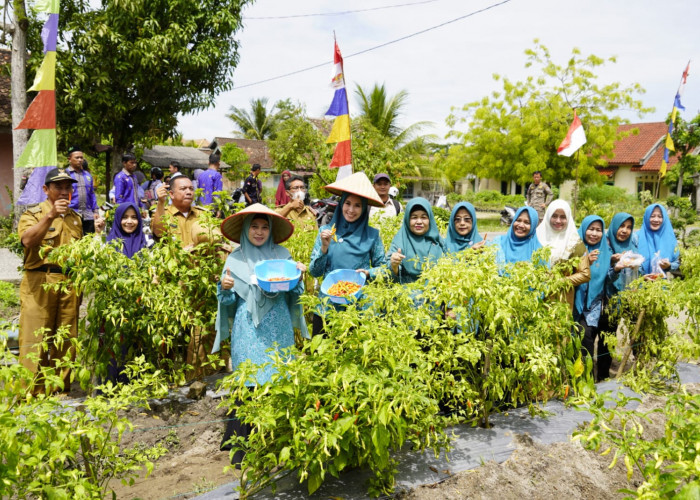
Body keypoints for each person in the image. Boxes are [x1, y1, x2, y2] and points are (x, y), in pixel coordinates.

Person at [214, 204, 308, 466]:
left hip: (278, 325)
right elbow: (228, 302)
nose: (259, 231)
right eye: (254, 226)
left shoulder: (283, 255)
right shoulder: (234, 259)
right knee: (249, 379)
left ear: (271, 230)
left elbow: (294, 294)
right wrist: (224, 288)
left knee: (278, 377)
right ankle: (244, 448)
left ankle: (277, 443)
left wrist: (299, 278)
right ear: (245, 229)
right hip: (248, 328)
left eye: (264, 227)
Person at [18, 169, 84, 394]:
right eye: (59, 187)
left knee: (66, 336)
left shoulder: (75, 218)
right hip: (40, 279)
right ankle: (30, 394)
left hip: (69, 281)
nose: (64, 192)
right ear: (46, 190)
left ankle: (60, 390)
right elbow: (27, 240)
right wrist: (50, 216)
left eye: (68, 187)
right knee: (35, 336)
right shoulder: (34, 214)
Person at [309, 172, 387, 335]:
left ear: (364, 208)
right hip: (327, 308)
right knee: (323, 356)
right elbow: (314, 271)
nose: (351, 210)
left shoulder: (372, 235)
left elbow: (384, 269)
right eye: (348, 203)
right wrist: (324, 248)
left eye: (358, 205)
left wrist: (368, 272)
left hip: (359, 310)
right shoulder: (326, 232)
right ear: (341, 204)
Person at [574, 215, 612, 381]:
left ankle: (587, 380)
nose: (594, 233)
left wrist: (616, 268)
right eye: (591, 229)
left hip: (593, 306)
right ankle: (575, 379)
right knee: (575, 340)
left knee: (587, 338)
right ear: (583, 229)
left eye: (598, 230)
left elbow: (608, 277)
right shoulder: (574, 249)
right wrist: (583, 262)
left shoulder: (606, 253)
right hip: (573, 302)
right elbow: (563, 272)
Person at [536, 199, 590, 311]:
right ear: (548, 216)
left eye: (563, 217)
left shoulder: (574, 242)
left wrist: (559, 282)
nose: (558, 220)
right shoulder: (536, 237)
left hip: (561, 300)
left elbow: (585, 274)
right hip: (536, 298)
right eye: (554, 216)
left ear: (568, 219)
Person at [388, 198, 446, 284]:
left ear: (430, 219)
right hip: (406, 293)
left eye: (424, 217)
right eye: (414, 217)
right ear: (407, 220)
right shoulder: (400, 241)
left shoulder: (438, 241)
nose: (419, 222)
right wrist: (394, 265)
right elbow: (389, 274)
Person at [151, 175, 204, 248]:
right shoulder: (163, 213)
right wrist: (161, 202)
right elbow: (158, 233)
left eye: (191, 189)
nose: (189, 192)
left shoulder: (202, 214)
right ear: (171, 194)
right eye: (183, 189)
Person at [636, 203, 680, 278]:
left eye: (660, 217)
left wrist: (669, 266)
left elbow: (676, 262)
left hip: (661, 286)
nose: (656, 220)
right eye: (652, 216)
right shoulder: (636, 237)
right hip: (639, 284)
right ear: (646, 217)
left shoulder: (670, 239)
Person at [66, 146, 101, 234]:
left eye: (81, 157)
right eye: (77, 157)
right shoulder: (65, 174)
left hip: (88, 215)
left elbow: (92, 194)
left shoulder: (88, 175)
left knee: (88, 242)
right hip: (72, 214)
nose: (80, 160)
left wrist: (95, 211)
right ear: (69, 159)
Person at [606, 212, 640, 297]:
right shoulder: (605, 245)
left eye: (629, 227)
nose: (624, 230)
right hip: (610, 297)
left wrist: (636, 266)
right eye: (621, 226)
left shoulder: (632, 246)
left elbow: (639, 273)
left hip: (630, 296)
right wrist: (611, 262)